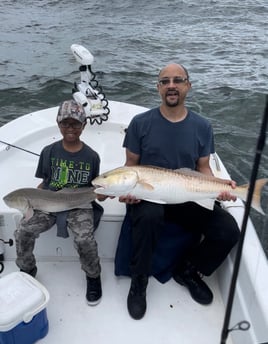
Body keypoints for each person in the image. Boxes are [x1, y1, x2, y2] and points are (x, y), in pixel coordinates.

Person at [120, 63, 240, 320]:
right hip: (149, 193)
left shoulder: (202, 126)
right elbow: (131, 166)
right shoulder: (140, 123)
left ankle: (188, 270)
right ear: (158, 87)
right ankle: (139, 282)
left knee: (228, 230)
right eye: (165, 81)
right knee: (149, 217)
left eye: (178, 80)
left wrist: (220, 190)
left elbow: (204, 168)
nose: (171, 85)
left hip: (186, 194)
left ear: (188, 85)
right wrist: (128, 191)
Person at [14, 99, 106, 306]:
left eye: (75, 124)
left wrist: (102, 194)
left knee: (84, 239)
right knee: (22, 230)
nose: (70, 128)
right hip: (48, 201)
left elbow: (95, 186)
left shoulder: (92, 156)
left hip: (78, 204)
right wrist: (31, 203)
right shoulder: (49, 151)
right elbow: (43, 183)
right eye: (65, 123)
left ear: (84, 125)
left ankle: (93, 276)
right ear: (58, 125)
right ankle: (27, 268)